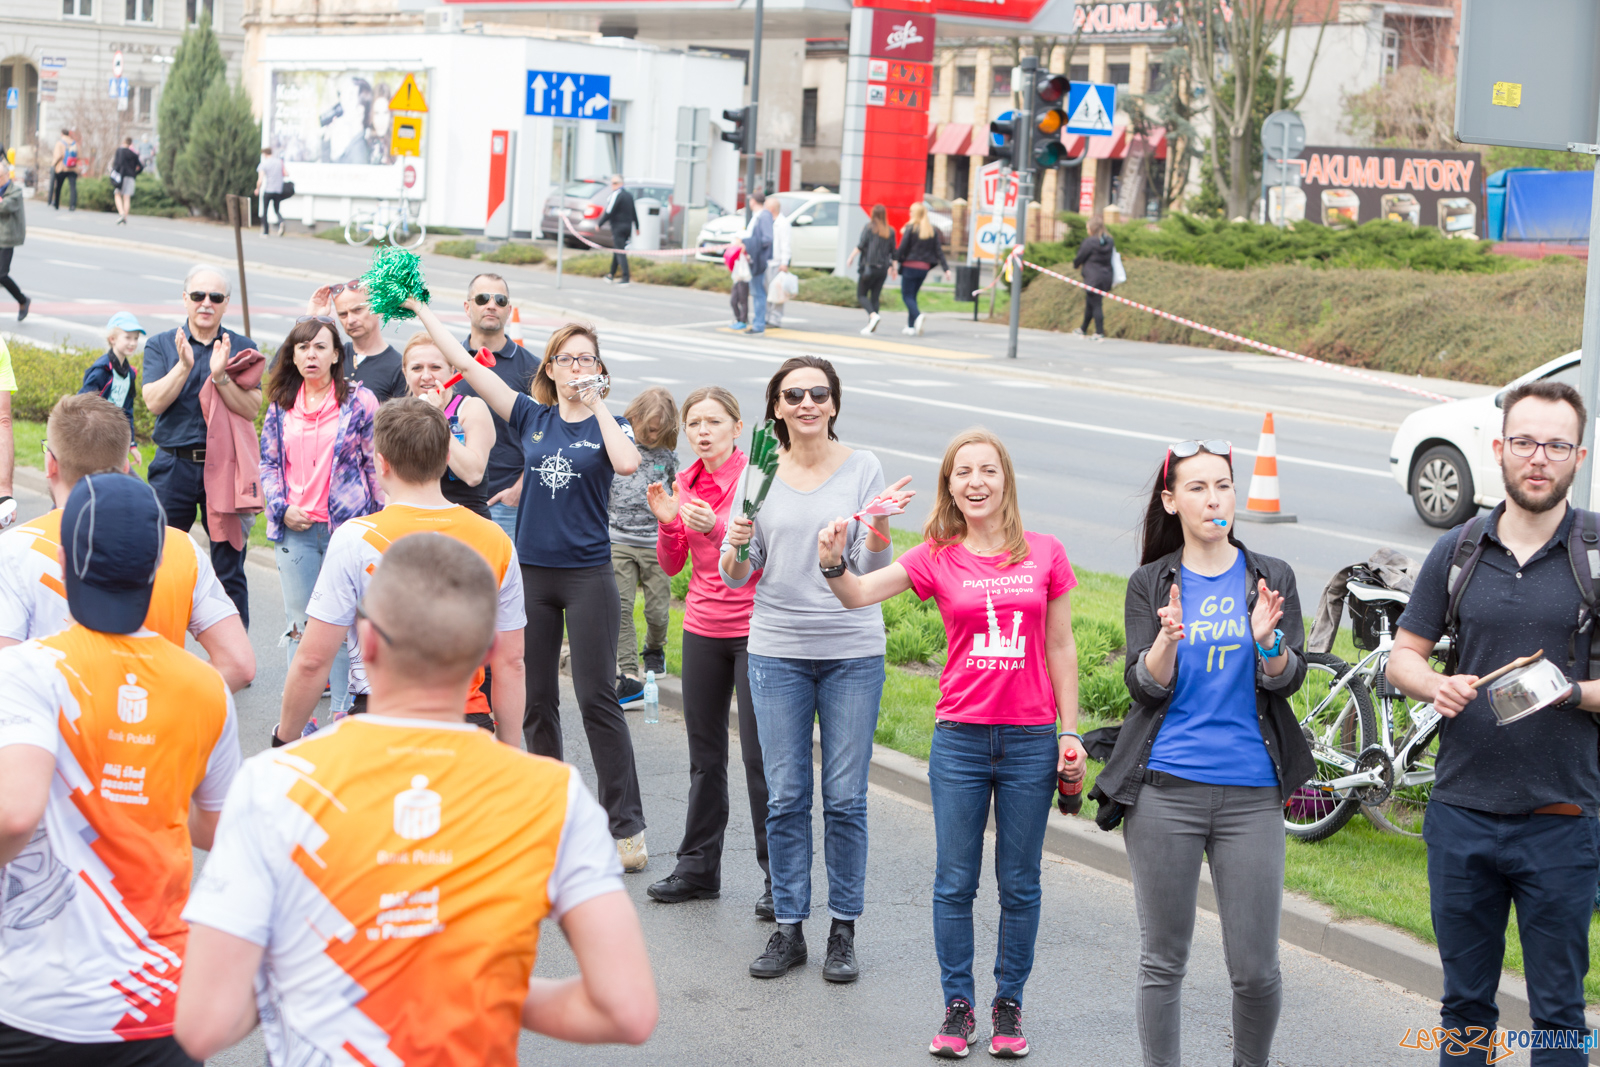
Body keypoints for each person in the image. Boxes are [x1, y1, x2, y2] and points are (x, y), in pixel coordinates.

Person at [176, 534, 656, 1065]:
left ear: (368, 643)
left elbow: (203, 1024)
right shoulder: (552, 796)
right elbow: (626, 1009)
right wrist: (476, 989)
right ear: (489, 652)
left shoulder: (275, 784)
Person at [816, 428, 1082, 1058]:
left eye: (987, 470)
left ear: (1005, 479)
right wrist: (832, 560)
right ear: (950, 485)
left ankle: (1008, 1005)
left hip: (1030, 740)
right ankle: (958, 1007)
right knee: (954, 882)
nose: (976, 482)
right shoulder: (936, 554)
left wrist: (1069, 731)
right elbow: (856, 595)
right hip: (960, 739)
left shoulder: (1045, 552)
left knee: (1020, 883)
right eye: (963, 473)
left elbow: (1062, 648)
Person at [1387, 379, 1600, 1067]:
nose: (1540, 457)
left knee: (1560, 1011)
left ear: (1580, 454)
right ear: (1500, 446)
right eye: (1527, 441)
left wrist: (1570, 691)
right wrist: (1434, 682)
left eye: (1557, 444)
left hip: (1563, 816)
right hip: (1461, 813)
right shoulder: (1458, 549)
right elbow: (1402, 658)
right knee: (1465, 1007)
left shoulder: (1596, 553)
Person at [0, 471, 240, 1066]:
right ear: (156, 569)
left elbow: (13, 814)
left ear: (66, 561)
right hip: (157, 1006)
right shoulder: (205, 686)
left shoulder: (31, 671)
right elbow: (217, 829)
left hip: (36, 1002)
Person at [408, 297, 651, 872]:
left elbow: (626, 465)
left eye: (586, 360)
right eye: (565, 360)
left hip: (589, 576)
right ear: (549, 369)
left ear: (599, 370)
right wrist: (421, 308)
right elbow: (466, 366)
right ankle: (551, 819)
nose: (575, 369)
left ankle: (627, 827)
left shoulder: (610, 424)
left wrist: (599, 405)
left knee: (597, 698)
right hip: (532, 575)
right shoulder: (530, 417)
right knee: (537, 701)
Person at [1091, 439, 1311, 1067]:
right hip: (1164, 793)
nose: (1214, 499)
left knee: (1256, 969)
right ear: (1172, 500)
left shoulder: (1271, 577)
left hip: (1251, 796)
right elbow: (1144, 685)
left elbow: (1287, 679)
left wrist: (1267, 642)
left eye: (1223, 486)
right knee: (1163, 960)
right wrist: (1166, 637)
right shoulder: (1152, 582)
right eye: (1197, 488)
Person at [720, 355, 914, 983]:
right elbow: (738, 575)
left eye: (819, 394)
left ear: (834, 404)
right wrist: (736, 541)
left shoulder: (863, 468)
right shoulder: (760, 470)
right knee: (785, 795)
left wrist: (878, 524)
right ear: (776, 406)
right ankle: (789, 928)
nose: (807, 403)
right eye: (793, 394)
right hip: (776, 648)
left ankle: (843, 931)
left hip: (851, 650)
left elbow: (873, 562)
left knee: (845, 798)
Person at [275, 398, 526, 746]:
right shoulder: (494, 538)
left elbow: (313, 660)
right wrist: (510, 751)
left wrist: (284, 738)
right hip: (467, 721)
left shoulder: (355, 538)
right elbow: (511, 662)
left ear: (382, 463)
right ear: (446, 457)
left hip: (381, 717)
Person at [0, 393, 255, 691]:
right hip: (154, 729)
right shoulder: (181, 546)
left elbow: (7, 674)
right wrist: (162, 704)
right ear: (124, 467)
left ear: (50, 464)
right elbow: (239, 664)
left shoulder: (14, 549)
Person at [645, 386, 772, 916]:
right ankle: (699, 869)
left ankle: (778, 880)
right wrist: (671, 522)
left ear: (736, 427)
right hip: (702, 626)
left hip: (756, 630)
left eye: (714, 422)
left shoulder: (759, 479)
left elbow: (762, 558)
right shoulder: (685, 481)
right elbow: (672, 567)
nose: (702, 432)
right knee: (705, 758)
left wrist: (716, 525)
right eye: (694, 423)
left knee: (759, 759)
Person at [260, 315, 380, 722]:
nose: (311, 355)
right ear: (292, 356)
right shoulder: (280, 404)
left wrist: (379, 525)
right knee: (301, 625)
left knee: (346, 623)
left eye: (320, 347)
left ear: (336, 355)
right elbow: (269, 464)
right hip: (296, 530)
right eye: (302, 347)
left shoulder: (359, 402)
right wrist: (280, 506)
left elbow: (373, 465)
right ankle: (300, 718)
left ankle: (344, 713)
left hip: (347, 531)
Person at [141, 266, 258, 627]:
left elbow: (251, 408)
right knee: (160, 559)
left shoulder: (241, 347)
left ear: (226, 305)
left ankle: (236, 658)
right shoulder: (162, 344)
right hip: (173, 467)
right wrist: (183, 367)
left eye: (215, 297)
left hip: (224, 468)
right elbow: (153, 402)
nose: (206, 304)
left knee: (229, 564)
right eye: (198, 296)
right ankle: (156, 644)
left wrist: (220, 376)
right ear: (185, 300)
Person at [450, 273, 541, 540]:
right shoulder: (448, 362)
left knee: (502, 581)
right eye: (482, 299)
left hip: (506, 503)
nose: (491, 305)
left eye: (499, 300)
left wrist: (520, 488)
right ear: (468, 307)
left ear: (508, 310)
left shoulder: (531, 369)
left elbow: (550, 431)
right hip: (454, 498)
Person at [611, 386, 679, 704]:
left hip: (655, 542)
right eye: (649, 429)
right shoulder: (617, 446)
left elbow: (678, 491)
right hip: (618, 540)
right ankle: (628, 674)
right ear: (634, 418)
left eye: (659, 431)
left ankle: (654, 648)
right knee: (622, 609)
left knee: (657, 611)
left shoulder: (665, 457)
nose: (653, 436)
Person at [402, 332, 494, 519]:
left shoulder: (471, 408)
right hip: (416, 526)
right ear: (405, 373)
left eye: (435, 367)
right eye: (417, 368)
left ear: (452, 371)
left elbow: (473, 474)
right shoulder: (400, 415)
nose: (426, 376)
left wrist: (437, 418)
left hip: (464, 527)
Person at [309, 279, 407, 401]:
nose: (350, 320)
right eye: (343, 314)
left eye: (357, 310)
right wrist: (312, 319)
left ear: (378, 308)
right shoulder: (332, 356)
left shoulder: (398, 367)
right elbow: (283, 369)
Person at [80, 311, 145, 465]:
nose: (133, 343)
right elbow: (81, 403)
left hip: (113, 440)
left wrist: (132, 445)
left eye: (136, 338)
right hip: (94, 439)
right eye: (128, 337)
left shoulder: (130, 373)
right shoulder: (102, 370)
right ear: (112, 339)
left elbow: (127, 411)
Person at [894, 202, 951, 337]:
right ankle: (910, 326)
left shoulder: (911, 228)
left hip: (910, 267)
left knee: (906, 295)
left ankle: (918, 316)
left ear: (915, 214)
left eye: (911, 211)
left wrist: (894, 261)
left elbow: (902, 248)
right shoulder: (931, 230)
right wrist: (946, 269)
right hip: (924, 269)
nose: (909, 213)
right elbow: (938, 251)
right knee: (912, 296)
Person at [847, 204, 896, 335]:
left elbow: (861, 245)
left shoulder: (869, 228)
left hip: (868, 268)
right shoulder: (890, 231)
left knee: (861, 295)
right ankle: (871, 326)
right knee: (875, 296)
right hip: (883, 269)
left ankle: (873, 316)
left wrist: (851, 257)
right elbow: (893, 252)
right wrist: (894, 268)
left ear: (873, 214)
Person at [1072, 212, 1115, 340]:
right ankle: (1083, 329)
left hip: (1093, 277)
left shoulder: (1090, 242)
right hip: (1106, 276)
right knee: (1091, 302)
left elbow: (1080, 257)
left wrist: (1076, 264)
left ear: (1092, 228)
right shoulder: (1109, 241)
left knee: (1096, 304)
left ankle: (1099, 332)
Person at [0, 160, 28, 322]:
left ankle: (23, 300)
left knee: (2, 275)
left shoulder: (15, 191)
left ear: (3, 176)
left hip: (7, 239)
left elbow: (4, 208)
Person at [742, 190, 773, 335]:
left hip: (758, 259)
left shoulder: (763, 216)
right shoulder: (760, 215)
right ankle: (758, 323)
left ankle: (759, 324)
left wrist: (748, 243)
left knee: (758, 292)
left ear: (753, 201)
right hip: (755, 257)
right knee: (756, 292)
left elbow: (767, 238)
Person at [599, 175, 638, 285]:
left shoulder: (616, 194)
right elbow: (634, 212)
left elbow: (609, 211)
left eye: (615, 183)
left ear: (621, 183)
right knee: (618, 249)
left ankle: (626, 277)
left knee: (620, 252)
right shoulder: (629, 195)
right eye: (612, 183)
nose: (612, 185)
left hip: (618, 228)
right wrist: (637, 226)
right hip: (627, 228)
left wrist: (600, 224)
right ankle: (611, 274)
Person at [764, 194, 792, 328]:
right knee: (766, 292)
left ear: (771, 209)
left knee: (777, 292)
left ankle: (775, 319)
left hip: (777, 263)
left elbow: (786, 244)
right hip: (766, 262)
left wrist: (784, 262)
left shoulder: (783, 223)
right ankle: (766, 317)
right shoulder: (767, 221)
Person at [110, 136, 143, 225]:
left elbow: (117, 164)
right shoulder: (134, 154)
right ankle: (125, 218)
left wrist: (113, 174)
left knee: (117, 194)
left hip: (121, 176)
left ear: (124, 142)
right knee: (127, 197)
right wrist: (134, 173)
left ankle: (121, 213)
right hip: (131, 177)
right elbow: (141, 167)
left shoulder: (120, 151)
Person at [255, 146, 286, 237]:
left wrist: (257, 189)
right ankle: (281, 222)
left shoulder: (264, 164)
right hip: (278, 190)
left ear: (264, 154)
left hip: (269, 190)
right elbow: (286, 173)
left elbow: (260, 180)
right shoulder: (279, 162)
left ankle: (266, 231)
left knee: (265, 210)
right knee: (276, 209)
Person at [48, 128, 78, 212]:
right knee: (73, 187)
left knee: (58, 186)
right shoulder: (74, 143)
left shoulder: (60, 143)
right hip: (73, 168)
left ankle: (56, 204)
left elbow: (58, 155)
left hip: (62, 168)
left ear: (62, 134)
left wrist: (53, 164)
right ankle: (72, 205)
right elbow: (78, 156)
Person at [724, 240, 751, 331]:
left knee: (743, 301)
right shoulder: (736, 254)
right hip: (737, 279)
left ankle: (743, 321)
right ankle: (739, 319)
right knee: (733, 301)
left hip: (744, 279)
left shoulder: (746, 255)